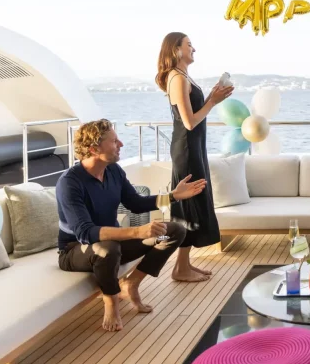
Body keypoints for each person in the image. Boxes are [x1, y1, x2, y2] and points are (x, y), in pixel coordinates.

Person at [56, 119, 207, 332]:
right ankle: (111, 301)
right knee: (108, 248)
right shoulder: (70, 183)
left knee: (172, 231)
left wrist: (173, 196)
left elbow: (136, 203)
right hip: (75, 251)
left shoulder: (113, 171)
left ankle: (131, 283)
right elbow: (85, 232)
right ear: (93, 149)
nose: (121, 144)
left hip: (113, 245)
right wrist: (137, 231)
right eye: (114, 141)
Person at [155, 32, 234, 282]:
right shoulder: (177, 78)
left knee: (194, 203)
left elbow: (195, 112)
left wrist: (212, 98)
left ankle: (184, 264)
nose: (194, 49)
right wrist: (213, 102)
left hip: (194, 148)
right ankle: (180, 268)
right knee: (188, 205)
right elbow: (189, 122)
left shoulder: (183, 76)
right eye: (189, 45)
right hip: (187, 150)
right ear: (176, 50)